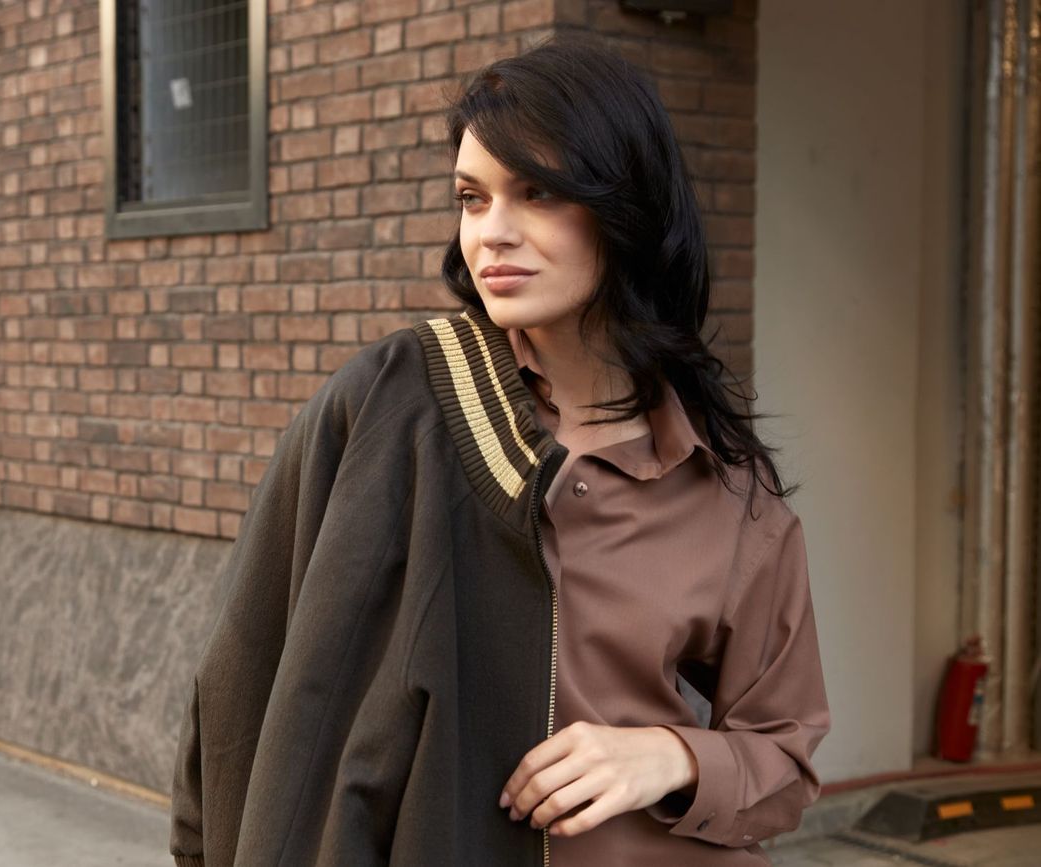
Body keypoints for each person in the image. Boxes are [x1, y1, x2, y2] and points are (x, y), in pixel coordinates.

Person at [169, 32, 830, 867]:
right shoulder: (394, 404)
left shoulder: (725, 492)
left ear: (627, 205)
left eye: (537, 192)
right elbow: (243, 664)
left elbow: (786, 757)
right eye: (472, 198)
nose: (493, 233)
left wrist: (670, 755)